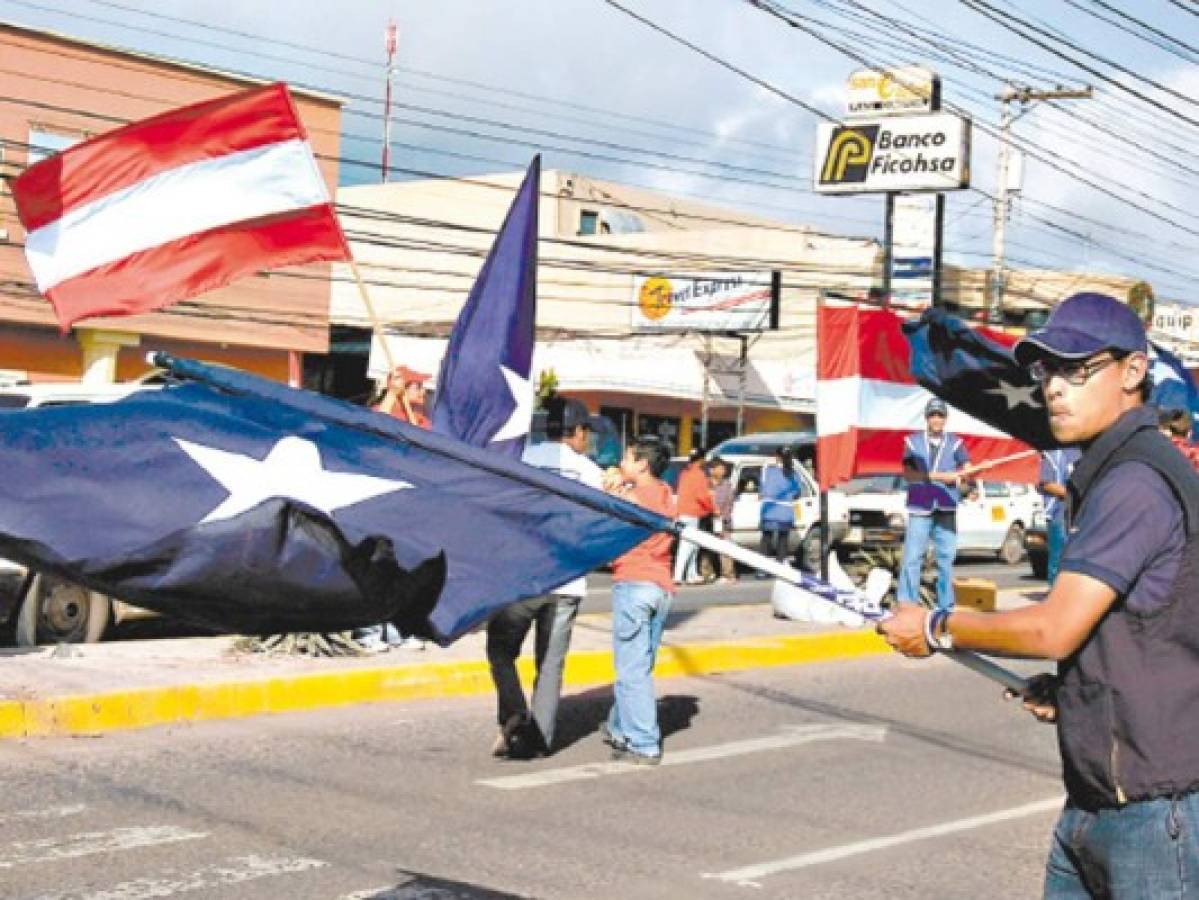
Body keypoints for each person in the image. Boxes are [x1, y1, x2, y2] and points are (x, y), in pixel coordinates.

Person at [879, 292, 1199, 897]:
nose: (1054, 387)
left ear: (1134, 371)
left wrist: (935, 626)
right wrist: (1077, 693)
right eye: (1047, 369)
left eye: (1076, 369)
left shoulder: (1135, 480)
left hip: (1154, 818)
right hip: (1095, 804)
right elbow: (1140, 631)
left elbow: (1055, 628)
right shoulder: (1109, 470)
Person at [485, 398, 603, 759]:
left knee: (501, 651)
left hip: (524, 577)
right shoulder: (590, 472)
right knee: (550, 664)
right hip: (567, 581)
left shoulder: (524, 459)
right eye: (587, 433)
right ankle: (541, 739)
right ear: (578, 431)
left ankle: (514, 714)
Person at [601, 436, 676, 765]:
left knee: (632, 670)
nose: (623, 464)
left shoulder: (635, 495)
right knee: (639, 665)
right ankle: (620, 728)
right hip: (661, 586)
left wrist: (612, 486)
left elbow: (608, 510)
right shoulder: (664, 493)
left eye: (628, 459)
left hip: (634, 582)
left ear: (642, 464)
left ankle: (644, 743)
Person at [357, 363, 433, 652]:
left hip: (412, 507)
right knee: (377, 568)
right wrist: (392, 394)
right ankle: (369, 630)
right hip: (381, 504)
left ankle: (401, 627)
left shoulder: (421, 422)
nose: (423, 392)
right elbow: (372, 429)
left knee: (407, 571)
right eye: (418, 386)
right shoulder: (384, 414)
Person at [898, 398, 971, 610]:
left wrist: (967, 473)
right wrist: (940, 476)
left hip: (946, 506)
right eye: (933, 415)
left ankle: (945, 607)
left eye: (940, 415)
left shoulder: (956, 443)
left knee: (946, 560)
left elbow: (966, 467)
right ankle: (907, 603)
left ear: (945, 419)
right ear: (927, 418)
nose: (936, 420)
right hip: (920, 506)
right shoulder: (913, 443)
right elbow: (909, 474)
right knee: (912, 558)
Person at [673, 449, 716, 585]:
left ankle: (692, 575)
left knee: (692, 545)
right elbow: (702, 496)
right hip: (692, 513)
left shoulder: (684, 473)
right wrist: (713, 509)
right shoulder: (699, 475)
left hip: (682, 511)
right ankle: (678, 576)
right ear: (701, 459)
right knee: (687, 545)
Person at [1038, 447, 1080, 586]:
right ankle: (1055, 594)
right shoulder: (1054, 455)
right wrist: (1072, 494)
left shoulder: (1086, 452)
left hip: (1082, 514)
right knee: (1059, 557)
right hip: (1059, 514)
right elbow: (1047, 484)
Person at [758, 447, 802, 572]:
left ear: (777, 456)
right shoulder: (794, 474)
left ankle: (762, 570)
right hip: (786, 511)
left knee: (766, 540)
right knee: (783, 541)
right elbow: (797, 493)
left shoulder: (767, 470)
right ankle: (780, 568)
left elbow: (762, 489)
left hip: (769, 511)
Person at [708, 457, 738, 583]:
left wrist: (722, 518)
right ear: (711, 470)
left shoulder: (726, 485)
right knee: (706, 548)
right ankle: (707, 573)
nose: (723, 471)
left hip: (722, 520)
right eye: (720, 468)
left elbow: (729, 504)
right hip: (707, 520)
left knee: (725, 548)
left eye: (723, 468)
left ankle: (728, 575)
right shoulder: (705, 484)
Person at [375, 364, 431, 428]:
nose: (424, 391)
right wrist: (393, 393)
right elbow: (377, 424)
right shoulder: (378, 411)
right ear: (403, 389)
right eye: (419, 387)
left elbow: (420, 434)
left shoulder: (421, 419)